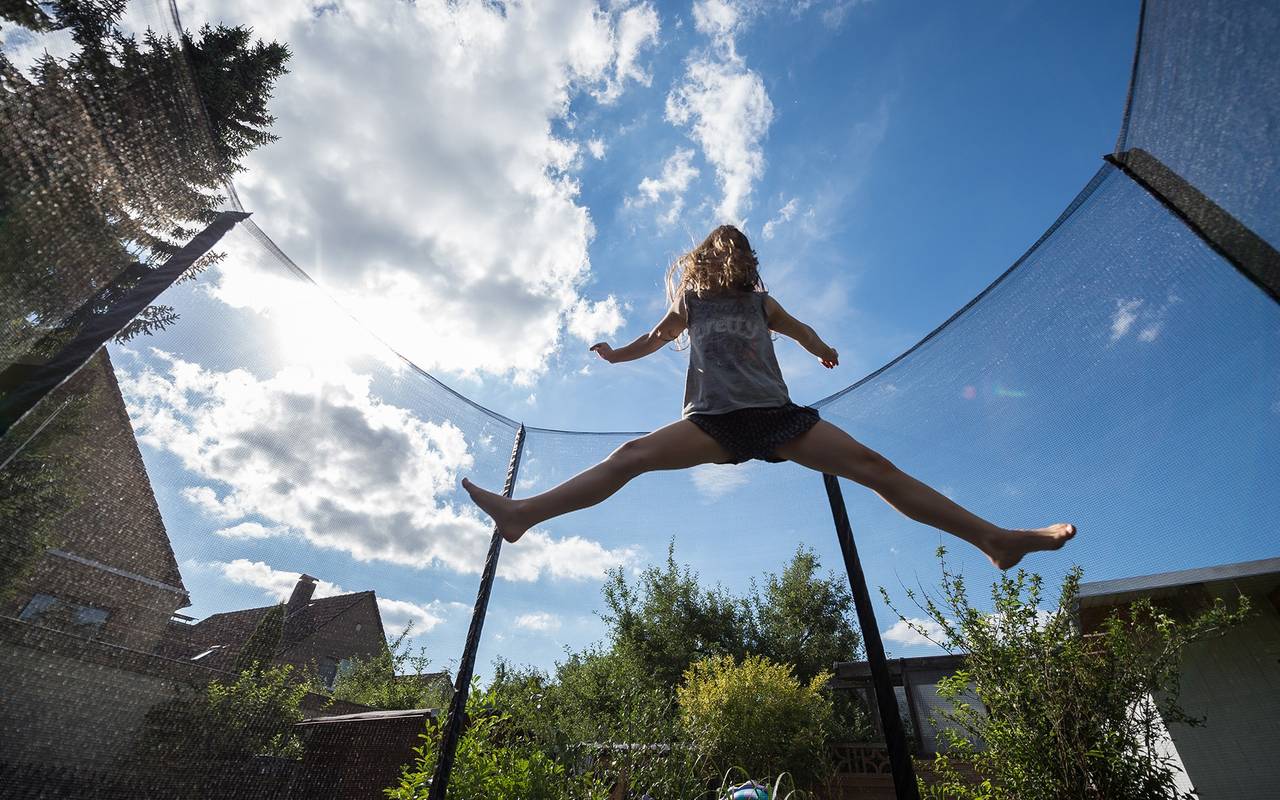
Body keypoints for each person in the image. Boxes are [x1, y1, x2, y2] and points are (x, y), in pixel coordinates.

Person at [463, 224, 1074, 570]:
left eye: (738, 256)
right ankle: (523, 514)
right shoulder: (693, 304)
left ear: (747, 264)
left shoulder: (759, 303)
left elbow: (798, 326)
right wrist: (618, 355)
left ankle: (993, 539)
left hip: (780, 420)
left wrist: (820, 346)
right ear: (703, 264)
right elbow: (655, 336)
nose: (728, 264)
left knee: (877, 469)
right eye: (719, 256)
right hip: (713, 422)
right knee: (630, 455)